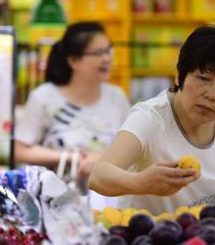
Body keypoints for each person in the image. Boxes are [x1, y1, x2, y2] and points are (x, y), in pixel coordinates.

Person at [88, 25, 215, 215]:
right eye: (203, 78)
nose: (211, 95)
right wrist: (141, 183)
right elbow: (98, 176)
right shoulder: (150, 118)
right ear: (179, 76)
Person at [15, 22, 131, 198]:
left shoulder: (117, 97)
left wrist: (99, 158)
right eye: (98, 53)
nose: (107, 58)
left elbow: (132, 149)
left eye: (108, 50)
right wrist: (71, 157)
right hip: (54, 203)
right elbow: (19, 150)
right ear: (73, 61)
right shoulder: (44, 97)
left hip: (109, 201)